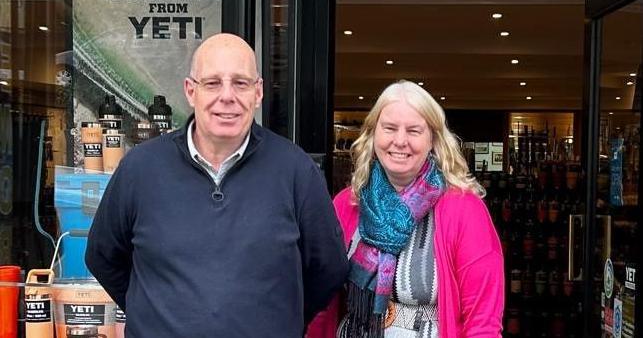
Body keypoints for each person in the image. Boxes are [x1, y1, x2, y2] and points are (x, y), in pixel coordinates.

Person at [85, 33, 349, 337]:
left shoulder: (295, 170)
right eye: (212, 83)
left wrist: (280, 320)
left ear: (258, 92)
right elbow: (103, 256)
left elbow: (328, 269)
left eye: (240, 82)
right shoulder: (140, 168)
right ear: (190, 91)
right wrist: (155, 312)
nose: (227, 96)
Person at [307, 80, 504, 337]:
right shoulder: (347, 204)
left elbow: (483, 319)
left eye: (414, 131)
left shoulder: (465, 209)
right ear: (373, 133)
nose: (400, 141)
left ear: (432, 139)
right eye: (389, 128)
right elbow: (321, 299)